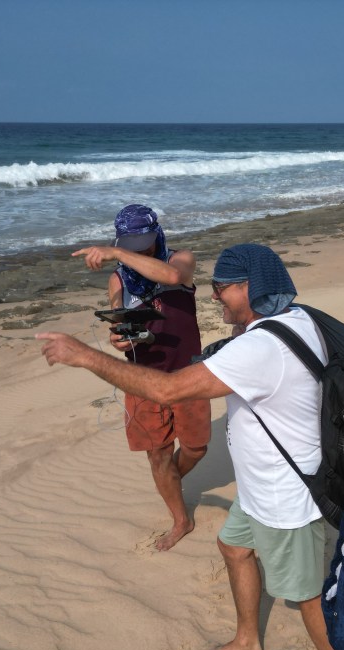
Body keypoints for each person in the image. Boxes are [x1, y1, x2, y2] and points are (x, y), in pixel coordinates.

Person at [38, 243, 343, 650]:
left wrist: (86, 356)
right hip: (260, 486)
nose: (213, 295)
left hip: (285, 494)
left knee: (303, 592)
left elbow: (168, 391)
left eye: (222, 287)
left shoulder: (260, 349)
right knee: (234, 547)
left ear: (251, 288)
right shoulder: (293, 319)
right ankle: (246, 642)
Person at [73, 204, 211, 551]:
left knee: (196, 447)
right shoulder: (117, 279)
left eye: (144, 242)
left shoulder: (181, 259)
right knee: (157, 455)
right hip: (143, 377)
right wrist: (118, 338)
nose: (139, 249)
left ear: (157, 234)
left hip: (189, 373)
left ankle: (171, 480)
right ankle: (181, 519)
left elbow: (172, 278)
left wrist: (117, 252)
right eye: (130, 244)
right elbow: (119, 329)